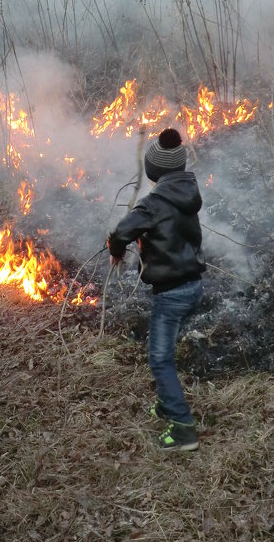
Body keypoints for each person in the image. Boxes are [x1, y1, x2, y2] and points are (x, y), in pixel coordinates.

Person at [107, 128, 206, 451]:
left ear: (154, 170)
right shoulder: (188, 191)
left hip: (171, 292)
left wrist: (116, 249)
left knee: (159, 359)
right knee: (164, 352)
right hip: (193, 284)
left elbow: (122, 231)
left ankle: (182, 428)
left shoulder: (154, 203)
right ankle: (167, 401)